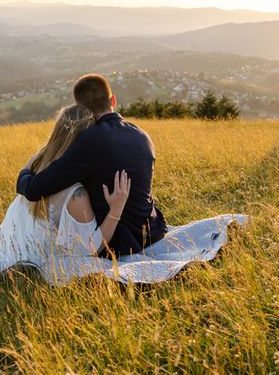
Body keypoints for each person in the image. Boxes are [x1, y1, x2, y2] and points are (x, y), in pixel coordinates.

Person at [0, 103, 132, 283]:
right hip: (44, 259)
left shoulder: (39, 161)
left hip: (18, 249)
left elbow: (23, 176)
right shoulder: (76, 194)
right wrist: (116, 209)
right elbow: (91, 249)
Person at [16, 74, 168, 257]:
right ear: (113, 100)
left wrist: (25, 172)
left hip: (116, 243)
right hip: (152, 231)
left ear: (82, 108)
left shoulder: (88, 141)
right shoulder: (143, 135)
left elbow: (34, 190)